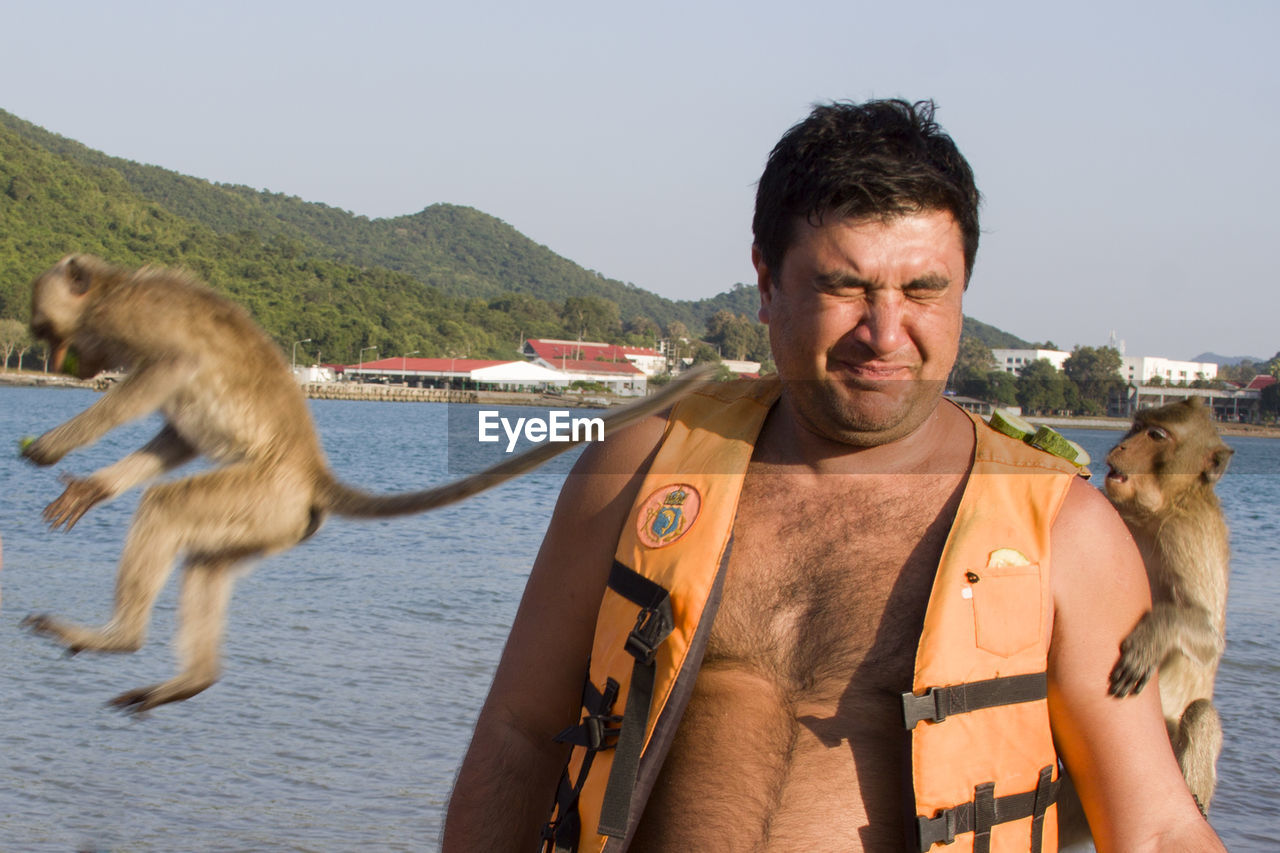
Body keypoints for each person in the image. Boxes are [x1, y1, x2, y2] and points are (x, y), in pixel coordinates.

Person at [443, 100, 1224, 852]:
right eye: (845, 287)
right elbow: (518, 731)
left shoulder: (1063, 529)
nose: (886, 334)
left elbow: (1154, 826)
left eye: (924, 290)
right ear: (767, 281)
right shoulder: (640, 467)